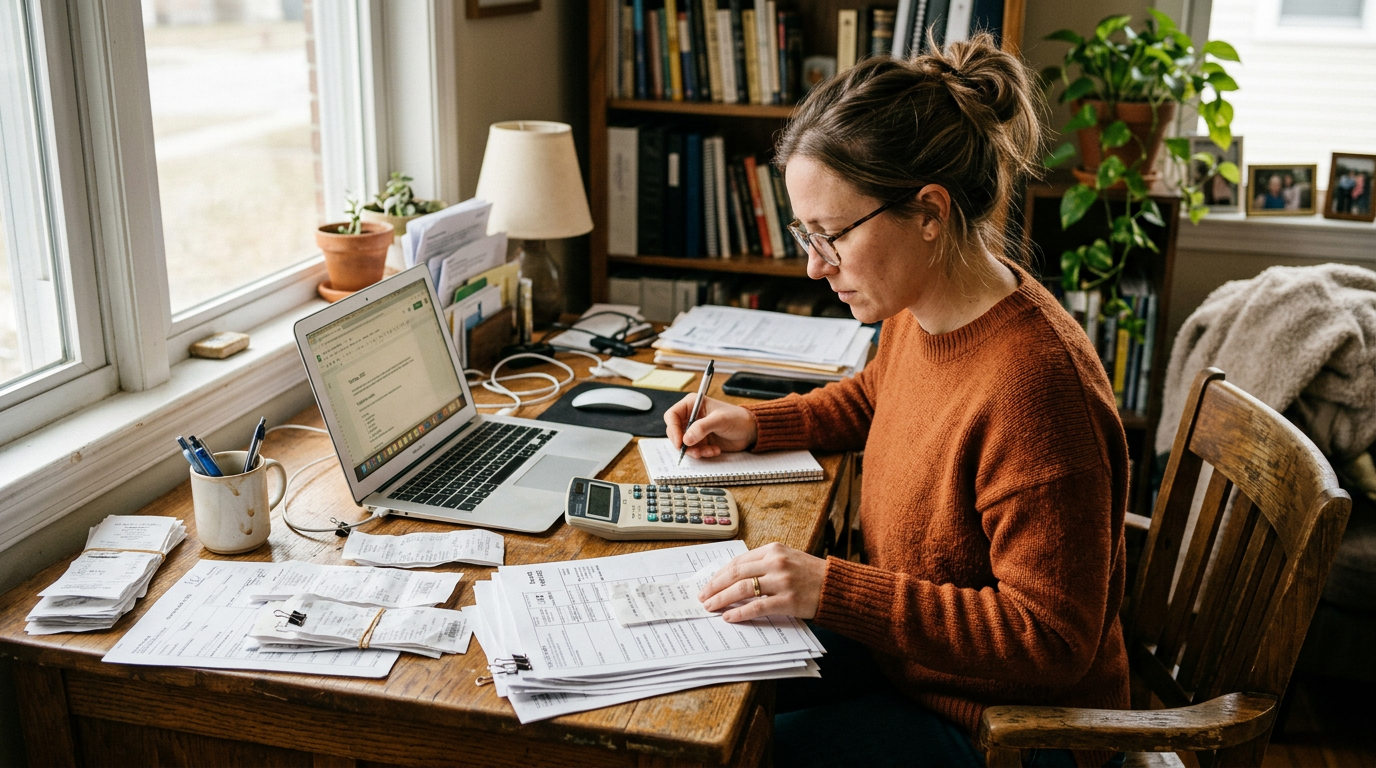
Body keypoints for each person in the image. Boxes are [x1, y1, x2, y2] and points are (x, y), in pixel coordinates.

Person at [665, 34, 1130, 768]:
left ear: (929, 211)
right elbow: (881, 395)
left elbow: (1052, 640)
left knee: (719, 752)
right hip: (911, 663)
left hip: (1009, 730)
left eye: (832, 236)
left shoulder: (1038, 388)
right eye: (804, 234)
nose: (816, 267)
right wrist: (759, 422)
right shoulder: (927, 305)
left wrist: (835, 589)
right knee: (687, 692)